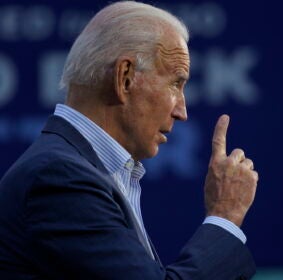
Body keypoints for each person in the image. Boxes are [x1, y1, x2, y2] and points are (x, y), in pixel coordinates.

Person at [0, 1, 258, 279]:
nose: (181, 111)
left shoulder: (84, 172)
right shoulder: (59, 179)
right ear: (125, 78)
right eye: (176, 83)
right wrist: (224, 217)